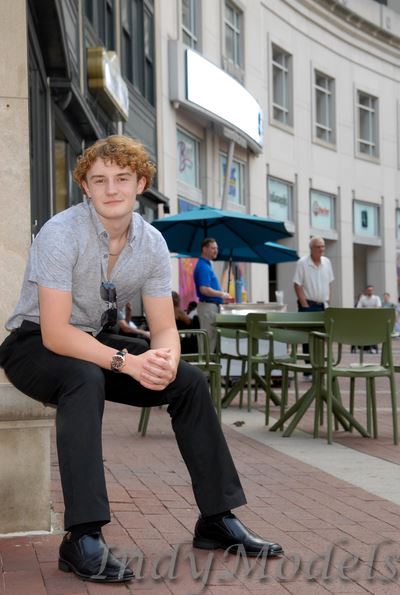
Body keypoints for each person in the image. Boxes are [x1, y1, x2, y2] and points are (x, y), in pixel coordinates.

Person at [0, 135, 282, 583]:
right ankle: (82, 536)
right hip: (36, 345)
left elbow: (164, 325)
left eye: (122, 178)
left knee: (188, 381)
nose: (111, 189)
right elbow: (55, 332)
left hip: (97, 342)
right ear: (85, 187)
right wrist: (128, 362)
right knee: (84, 378)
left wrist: (166, 358)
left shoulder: (151, 243)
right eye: (99, 180)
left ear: (140, 184)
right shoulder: (60, 233)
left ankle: (216, 518)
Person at [293, 236, 334, 374]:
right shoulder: (302, 263)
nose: (321, 249)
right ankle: (308, 369)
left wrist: (328, 302)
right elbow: (297, 285)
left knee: (322, 337)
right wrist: (305, 305)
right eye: (318, 246)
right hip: (308, 305)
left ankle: (319, 366)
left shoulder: (327, 262)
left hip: (323, 305)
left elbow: (329, 283)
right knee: (308, 338)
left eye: (323, 246)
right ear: (311, 248)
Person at [193, 238, 230, 352]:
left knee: (210, 338)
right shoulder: (203, 267)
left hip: (209, 306)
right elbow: (204, 289)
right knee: (207, 339)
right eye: (213, 248)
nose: (216, 251)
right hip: (208, 306)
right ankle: (205, 364)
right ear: (204, 249)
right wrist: (222, 294)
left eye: (216, 248)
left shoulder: (206, 265)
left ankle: (207, 363)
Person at [357, 285, 381, 353]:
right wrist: (372, 308)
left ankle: (373, 347)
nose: (370, 292)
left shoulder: (376, 298)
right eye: (368, 290)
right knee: (364, 333)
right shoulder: (362, 298)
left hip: (374, 319)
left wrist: (365, 308)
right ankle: (365, 347)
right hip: (364, 319)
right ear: (366, 291)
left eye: (371, 290)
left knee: (373, 333)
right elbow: (358, 308)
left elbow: (378, 307)